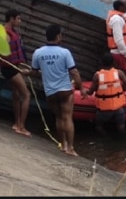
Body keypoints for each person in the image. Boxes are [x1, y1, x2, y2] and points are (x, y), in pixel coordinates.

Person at [23, 24, 87, 157]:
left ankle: (63, 145)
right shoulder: (65, 52)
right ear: (58, 36)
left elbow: (35, 72)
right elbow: (74, 72)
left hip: (50, 92)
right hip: (65, 91)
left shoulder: (38, 53)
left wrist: (27, 73)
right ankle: (71, 148)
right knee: (67, 117)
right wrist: (81, 88)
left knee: (58, 118)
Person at [82, 53, 126, 136]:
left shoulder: (97, 76)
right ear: (113, 63)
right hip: (118, 109)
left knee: (99, 126)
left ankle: (105, 137)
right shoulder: (119, 73)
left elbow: (91, 92)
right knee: (121, 128)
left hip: (104, 110)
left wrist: (84, 91)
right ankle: (122, 139)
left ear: (101, 63)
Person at [1, 9, 31, 137]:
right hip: (9, 68)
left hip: (14, 67)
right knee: (26, 95)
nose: (20, 21)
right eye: (18, 18)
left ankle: (17, 123)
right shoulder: (4, 34)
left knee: (17, 94)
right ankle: (21, 126)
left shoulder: (13, 32)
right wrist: (18, 69)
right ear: (11, 19)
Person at [105, 0, 126, 83]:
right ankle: (125, 92)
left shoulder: (122, 17)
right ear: (120, 7)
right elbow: (118, 40)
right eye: (125, 5)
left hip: (124, 52)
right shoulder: (117, 19)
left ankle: (125, 90)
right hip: (121, 53)